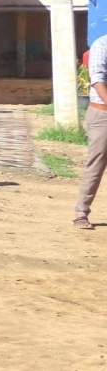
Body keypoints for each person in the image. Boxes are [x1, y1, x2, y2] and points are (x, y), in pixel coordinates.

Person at [74, 33, 107, 229]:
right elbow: (97, 79)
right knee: (96, 163)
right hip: (102, 115)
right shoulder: (102, 44)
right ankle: (81, 212)